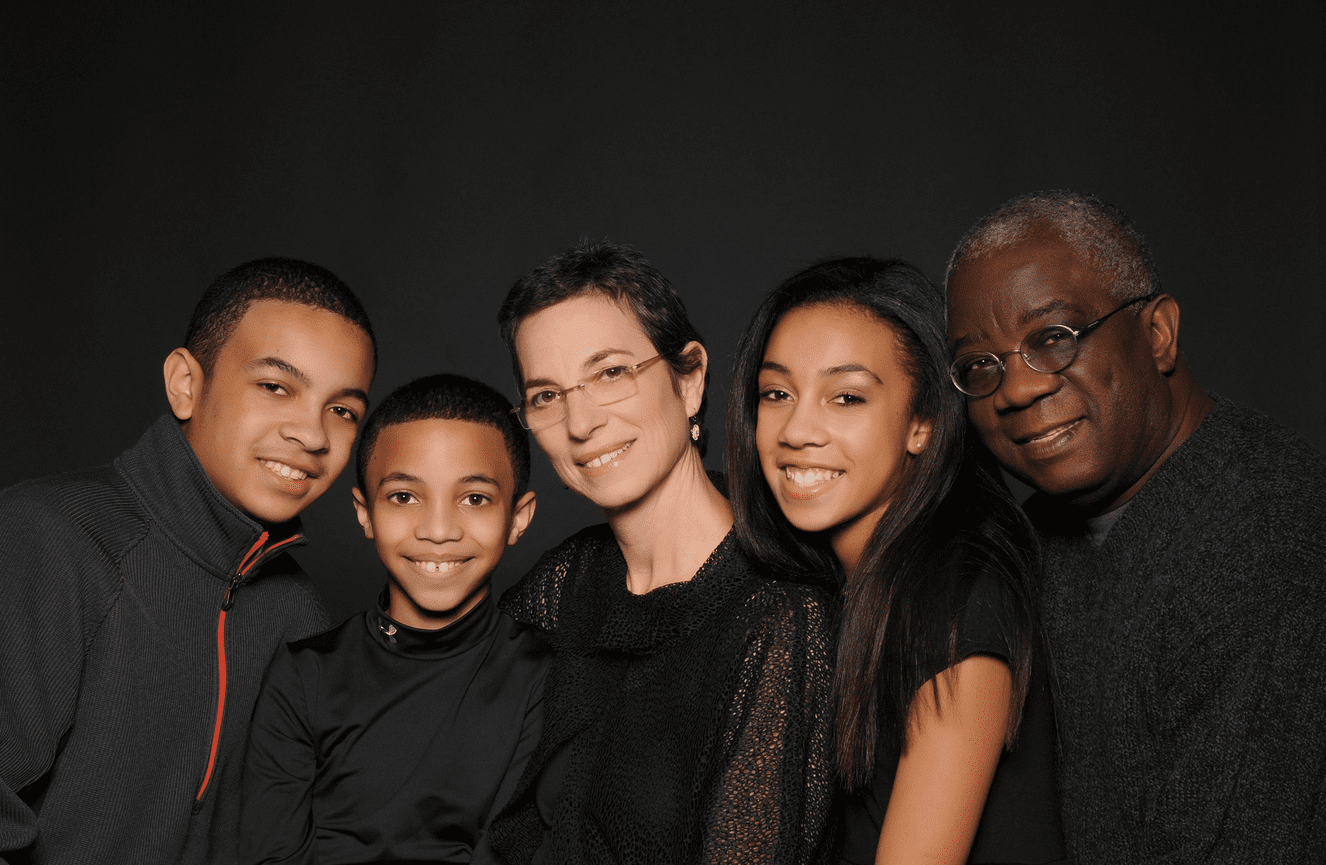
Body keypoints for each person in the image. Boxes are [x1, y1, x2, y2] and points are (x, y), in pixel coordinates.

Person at [945, 189, 1326, 862]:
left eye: (1053, 338)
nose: (1017, 389)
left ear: (1157, 334)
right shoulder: (1025, 542)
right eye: (983, 365)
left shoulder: (1271, 538)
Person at [0, 258, 376, 864]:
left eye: (343, 411)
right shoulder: (48, 540)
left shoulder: (299, 618)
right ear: (185, 384)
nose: (312, 434)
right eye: (276, 386)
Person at [484, 240, 836, 865]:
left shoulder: (783, 612)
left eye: (610, 373)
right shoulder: (558, 588)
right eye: (546, 395)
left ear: (690, 378)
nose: (580, 422)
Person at [727, 257, 1064, 865]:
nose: (797, 429)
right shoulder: (831, 595)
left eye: (846, 397)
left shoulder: (957, 596)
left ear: (924, 424)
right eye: (776, 393)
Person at [239, 373, 548, 864]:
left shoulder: (547, 678)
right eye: (404, 496)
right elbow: (268, 854)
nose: (439, 530)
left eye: (474, 499)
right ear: (365, 512)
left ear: (518, 518)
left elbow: (514, 850)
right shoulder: (305, 676)